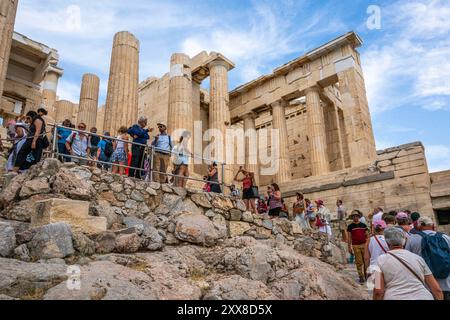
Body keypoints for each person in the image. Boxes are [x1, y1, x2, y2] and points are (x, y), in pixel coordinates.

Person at [373, 227, 443, 300]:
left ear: (387, 242)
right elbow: (437, 289)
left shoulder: (379, 261)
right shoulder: (418, 259)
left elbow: (378, 291)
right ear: (405, 240)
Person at [405, 216, 450, 300]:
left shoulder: (412, 239)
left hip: (426, 284)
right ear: (432, 225)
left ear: (419, 225)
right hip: (446, 281)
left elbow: (408, 258)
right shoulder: (445, 237)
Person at [347, 210, 369, 283]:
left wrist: (368, 244)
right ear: (352, 217)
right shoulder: (350, 226)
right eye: (353, 216)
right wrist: (349, 247)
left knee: (366, 261)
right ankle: (361, 276)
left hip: (364, 245)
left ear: (359, 217)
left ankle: (367, 275)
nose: (355, 217)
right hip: (355, 246)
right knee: (359, 262)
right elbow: (349, 237)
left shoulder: (363, 225)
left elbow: (367, 235)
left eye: (356, 216)